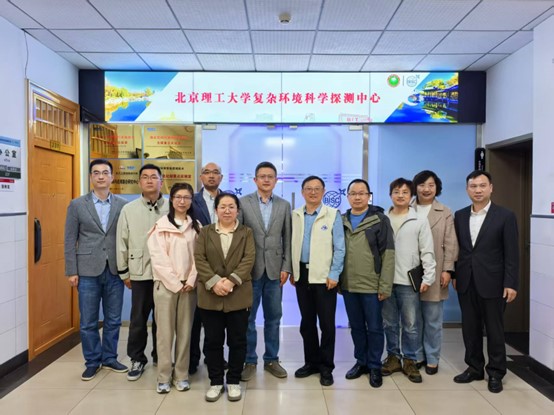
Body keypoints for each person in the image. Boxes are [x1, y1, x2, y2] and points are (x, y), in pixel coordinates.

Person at [453, 170, 519, 394]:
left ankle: (496, 372)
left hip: (494, 282)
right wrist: (455, 275)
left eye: (482, 186)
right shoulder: (460, 215)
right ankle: (474, 368)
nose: (478, 190)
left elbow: (512, 253)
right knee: (470, 329)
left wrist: (511, 283)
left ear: (491, 188)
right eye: (473, 186)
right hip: (466, 281)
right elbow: (459, 250)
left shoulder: (505, 216)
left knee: (494, 330)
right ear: (467, 190)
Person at [64, 159, 128, 380]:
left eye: (105, 172)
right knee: (88, 321)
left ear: (112, 177)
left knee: (113, 319)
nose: (101, 176)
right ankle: (92, 361)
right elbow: (70, 239)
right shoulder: (77, 205)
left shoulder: (122, 205)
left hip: (115, 269)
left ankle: (109, 358)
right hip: (87, 270)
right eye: (96, 173)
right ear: (91, 177)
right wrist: (71, 271)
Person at [194, 193, 255, 402]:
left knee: (238, 341)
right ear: (216, 210)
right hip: (210, 295)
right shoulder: (205, 232)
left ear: (237, 210)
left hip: (238, 294)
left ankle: (234, 381)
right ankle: (216, 381)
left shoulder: (246, 233)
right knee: (213, 341)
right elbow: (199, 258)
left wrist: (230, 282)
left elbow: (249, 259)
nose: (227, 211)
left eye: (231, 207)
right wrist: (215, 282)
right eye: (222, 207)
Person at [290, 175, 345, 386]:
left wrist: (334, 274)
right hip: (302, 275)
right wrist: (293, 270)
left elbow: (340, 248)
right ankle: (311, 362)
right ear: (302, 192)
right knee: (307, 323)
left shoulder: (332, 214)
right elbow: (291, 243)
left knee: (327, 325)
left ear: (323, 192)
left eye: (317, 189)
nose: (312, 192)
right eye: (308, 188)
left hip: (324, 277)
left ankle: (326, 367)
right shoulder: (295, 215)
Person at [239, 161, 291, 381]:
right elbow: (239, 237)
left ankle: (271, 359)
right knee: (248, 319)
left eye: (270, 176)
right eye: (262, 176)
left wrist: (286, 267)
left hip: (275, 271)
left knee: (274, 317)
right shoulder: (243, 203)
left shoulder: (284, 205)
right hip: (250, 271)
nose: (266, 180)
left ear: (276, 180)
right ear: (255, 180)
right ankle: (249, 360)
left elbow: (287, 238)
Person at [117, 164, 169, 381]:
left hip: (166, 274)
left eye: (154, 177)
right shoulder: (129, 209)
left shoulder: (171, 207)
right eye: (145, 177)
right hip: (139, 273)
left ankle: (161, 356)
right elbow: (121, 241)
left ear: (161, 181)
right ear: (139, 182)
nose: (149, 180)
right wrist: (124, 272)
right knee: (138, 319)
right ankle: (137, 358)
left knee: (163, 320)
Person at [147, 183, 201, 394]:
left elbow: (200, 257)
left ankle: (181, 375)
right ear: (171, 199)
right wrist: (175, 284)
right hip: (166, 287)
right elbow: (158, 259)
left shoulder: (196, 226)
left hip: (189, 287)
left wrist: (192, 279)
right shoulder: (160, 226)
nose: (182, 201)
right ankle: (163, 377)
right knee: (164, 334)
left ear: (191, 201)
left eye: (186, 197)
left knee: (186, 333)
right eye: (178, 197)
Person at [341, 179, 395, 388]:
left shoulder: (379, 220)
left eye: (362, 193)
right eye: (353, 193)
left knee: (374, 327)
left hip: (372, 284)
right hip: (349, 284)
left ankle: (374, 365)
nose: (357, 197)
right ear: (347, 196)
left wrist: (385, 285)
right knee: (356, 327)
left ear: (368, 196)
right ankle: (361, 362)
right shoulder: (342, 220)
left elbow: (388, 254)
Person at [382, 178, 435, 383]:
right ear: (390, 195)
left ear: (411, 195)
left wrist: (428, 277)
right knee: (389, 323)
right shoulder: (383, 218)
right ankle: (393, 358)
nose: (400, 195)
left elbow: (427, 250)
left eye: (405, 192)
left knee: (411, 324)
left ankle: (410, 360)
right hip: (386, 281)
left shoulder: (419, 220)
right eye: (396, 192)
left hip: (408, 281)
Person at [412, 170, 458, 375]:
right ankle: (416, 356)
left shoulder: (445, 211)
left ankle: (432, 357)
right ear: (415, 187)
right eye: (422, 185)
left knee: (432, 319)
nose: (426, 189)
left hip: (436, 270)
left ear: (437, 187)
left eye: (431, 185)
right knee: (412, 319)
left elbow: (451, 243)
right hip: (409, 272)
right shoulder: (406, 208)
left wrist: (448, 270)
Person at [189, 162, 224, 374]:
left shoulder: (228, 200)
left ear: (221, 177)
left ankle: (214, 358)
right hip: (196, 264)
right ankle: (192, 359)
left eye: (215, 173)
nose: (211, 176)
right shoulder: (190, 200)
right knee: (194, 318)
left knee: (216, 320)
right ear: (201, 177)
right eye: (207, 172)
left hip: (222, 267)